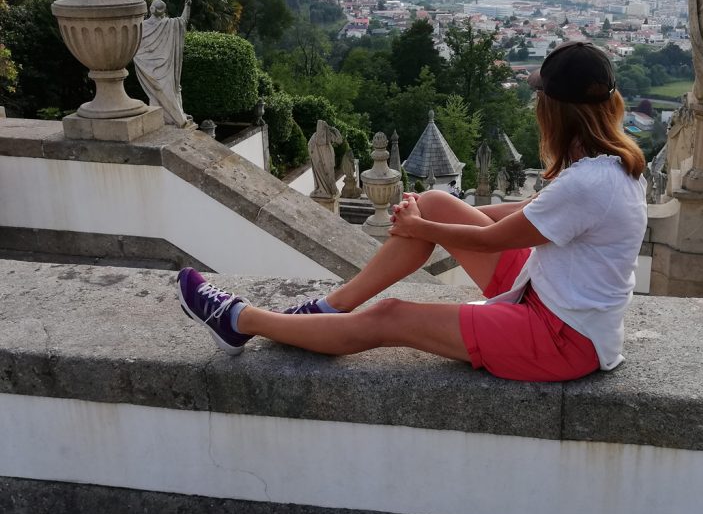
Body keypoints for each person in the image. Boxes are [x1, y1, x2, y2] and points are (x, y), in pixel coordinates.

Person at [175, 41, 648, 382]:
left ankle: (240, 321)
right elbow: (531, 210)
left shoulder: (588, 181)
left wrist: (420, 226)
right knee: (439, 198)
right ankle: (328, 308)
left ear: (556, 110)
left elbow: (492, 239)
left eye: (539, 98)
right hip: (552, 299)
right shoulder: (613, 163)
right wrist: (429, 215)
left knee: (391, 317)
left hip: (561, 338)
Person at [134, 0, 194, 128]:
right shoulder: (166, 24)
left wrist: (139, 59)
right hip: (159, 67)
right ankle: (175, 117)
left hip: (154, 67)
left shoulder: (143, 26)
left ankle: (176, 116)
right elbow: (183, 21)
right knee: (165, 92)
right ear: (163, 11)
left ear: (151, 9)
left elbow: (136, 48)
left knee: (168, 91)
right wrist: (187, 7)